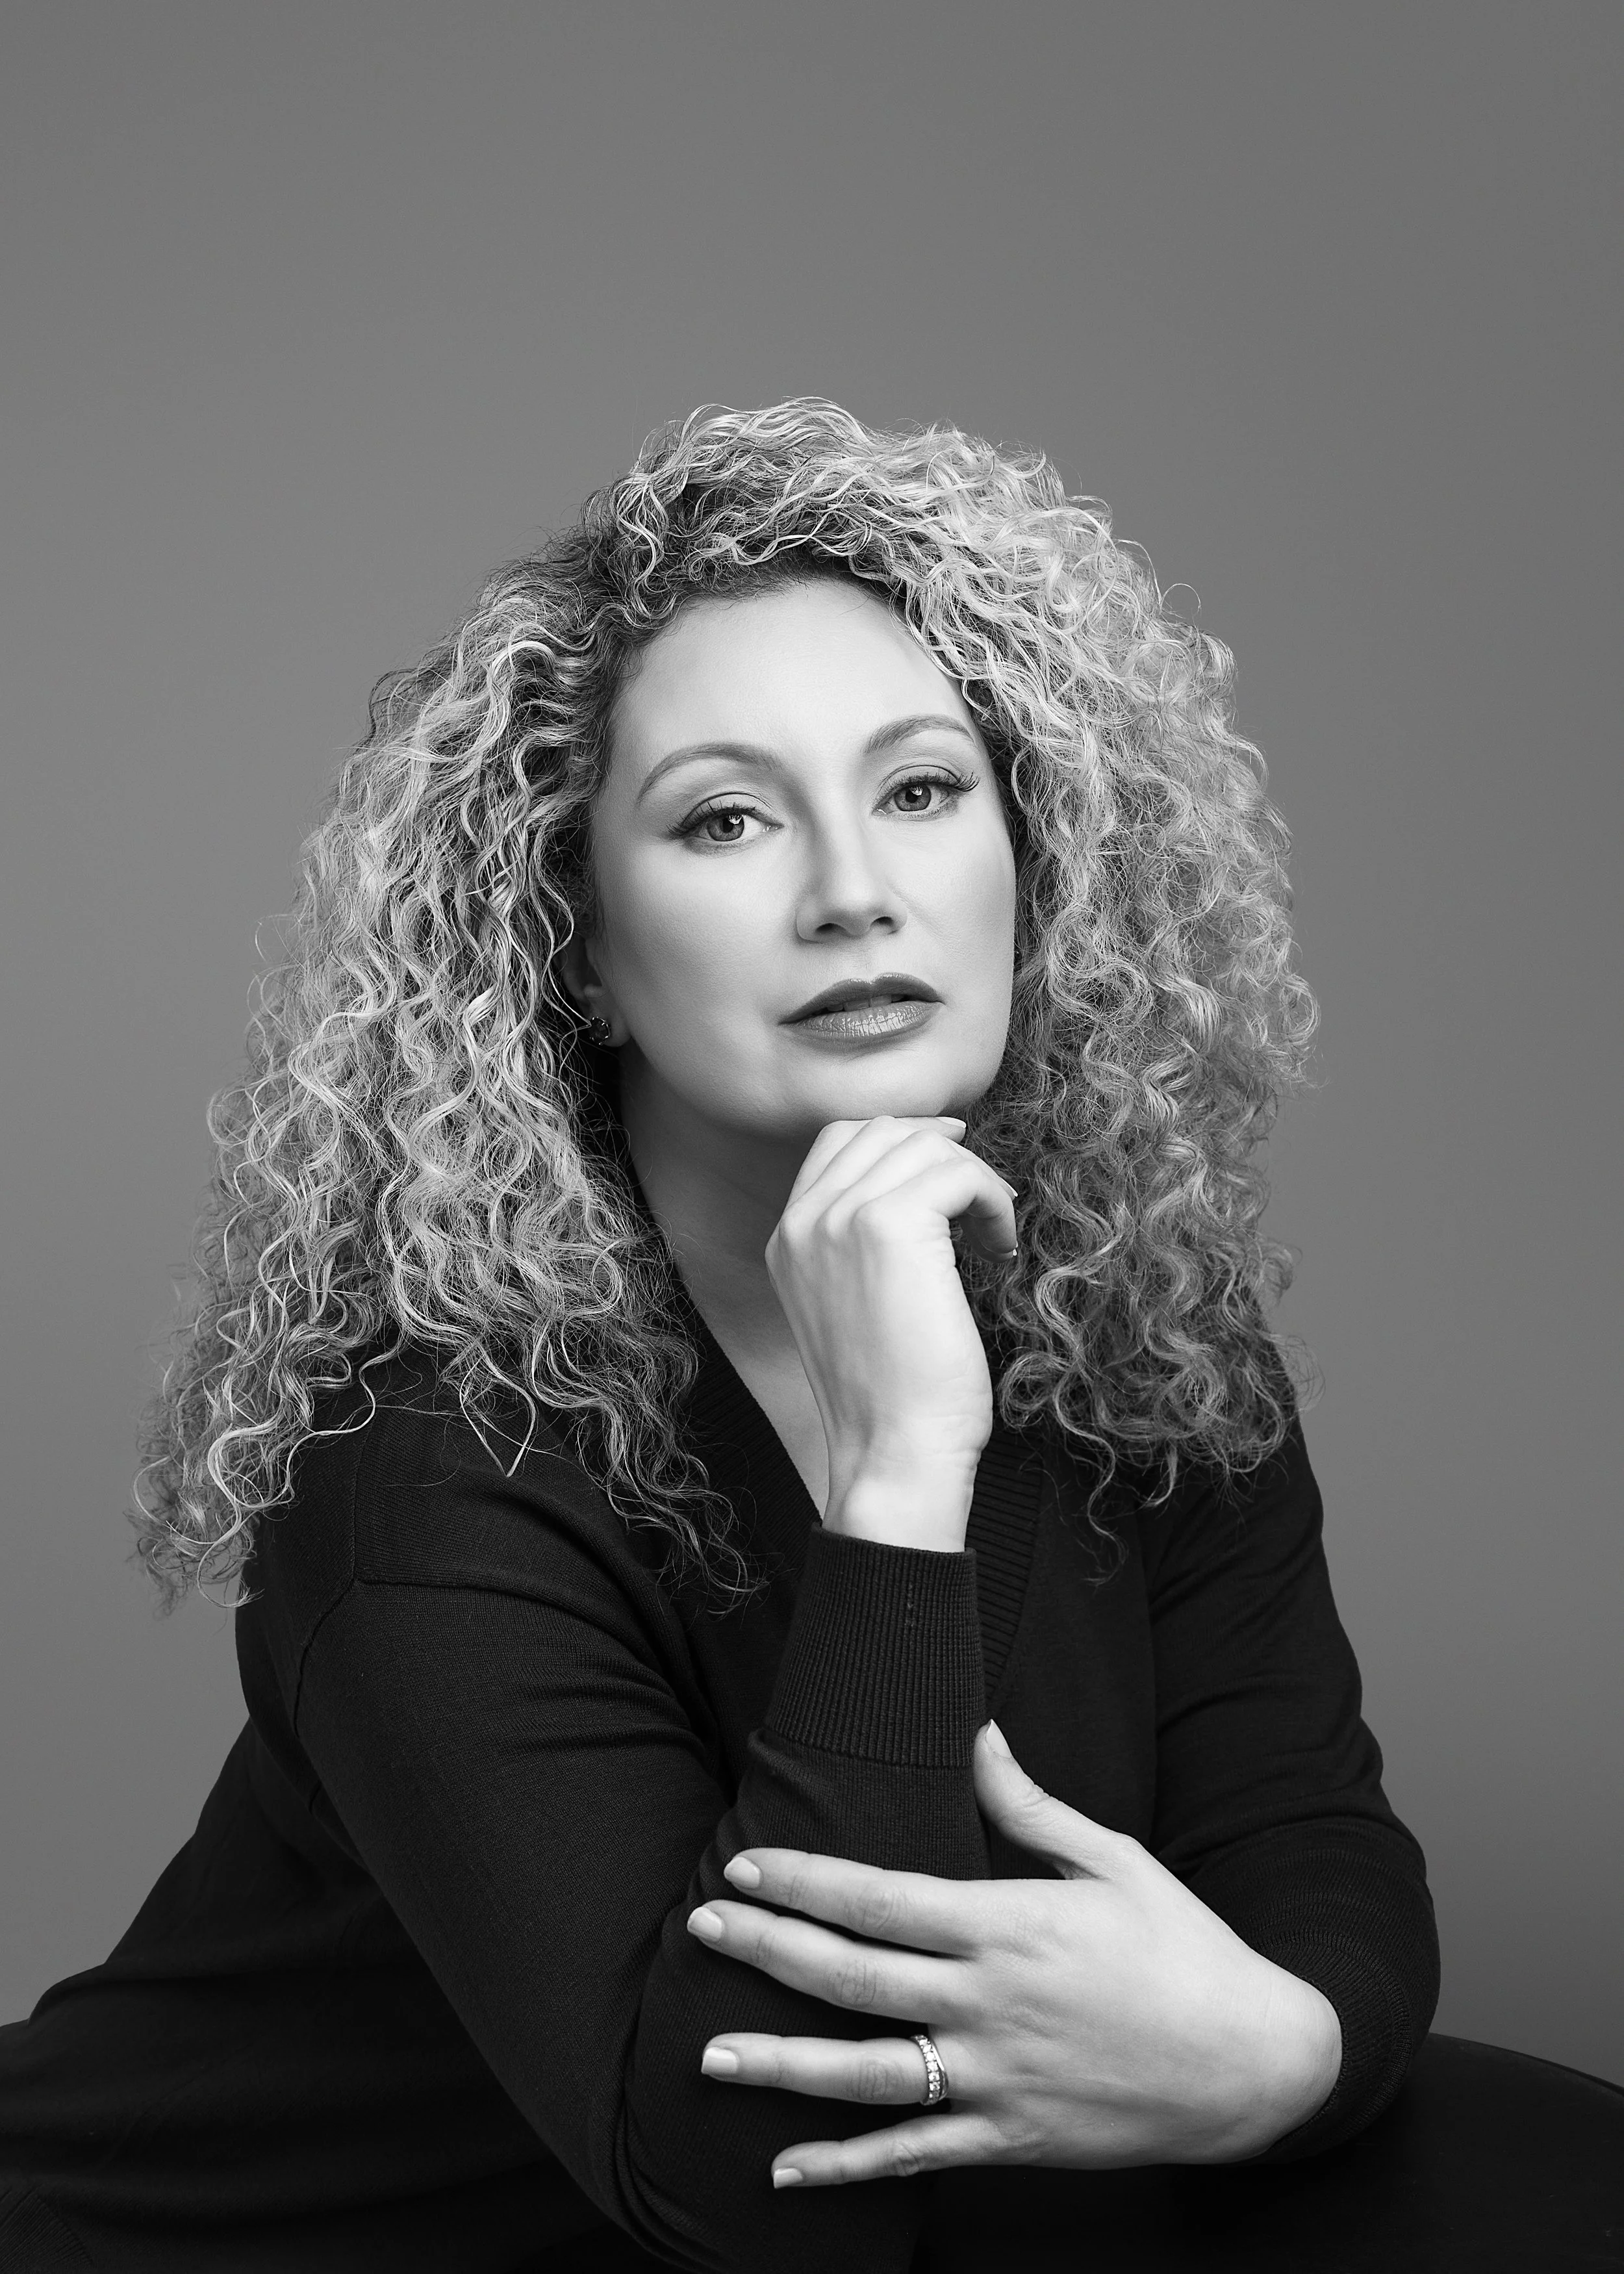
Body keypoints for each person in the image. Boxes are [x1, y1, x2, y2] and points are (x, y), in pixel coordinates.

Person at [0, 399, 1440, 2271]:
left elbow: (1309, 1850)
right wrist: (901, 1475)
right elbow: (754, 2202)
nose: (854, 890)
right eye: (726, 819)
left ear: (1039, 853)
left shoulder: (1131, 1325)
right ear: (580, 946)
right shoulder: (424, 1466)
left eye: (922, 789)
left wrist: (1282, 2055)